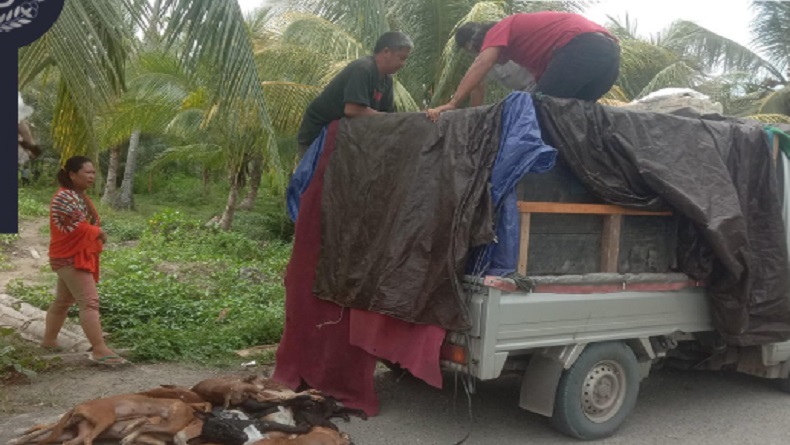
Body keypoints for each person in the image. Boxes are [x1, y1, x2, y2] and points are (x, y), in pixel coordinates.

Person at [427, 12, 620, 121]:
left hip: (582, 48)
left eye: (480, 50)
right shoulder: (536, 51)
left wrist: (453, 103)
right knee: (574, 115)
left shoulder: (498, 29)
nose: (492, 61)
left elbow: (482, 63)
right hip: (609, 58)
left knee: (535, 110)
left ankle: (532, 173)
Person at [41, 156, 128, 365]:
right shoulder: (65, 197)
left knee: (62, 302)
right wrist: (99, 231)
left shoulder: (75, 195)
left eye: (93, 173)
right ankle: (99, 349)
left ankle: (49, 340)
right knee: (89, 302)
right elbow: (79, 227)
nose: (92, 176)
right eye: (87, 172)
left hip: (67, 255)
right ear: (72, 174)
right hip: (71, 257)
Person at [296, 31, 413, 156]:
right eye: (401, 58)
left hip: (344, 136)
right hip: (318, 134)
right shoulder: (363, 69)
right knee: (320, 174)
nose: (403, 64)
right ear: (386, 52)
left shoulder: (386, 80)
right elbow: (353, 110)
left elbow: (388, 115)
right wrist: (390, 119)